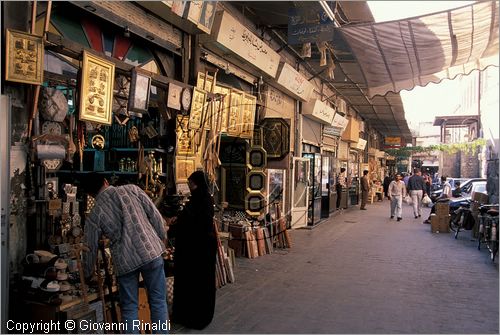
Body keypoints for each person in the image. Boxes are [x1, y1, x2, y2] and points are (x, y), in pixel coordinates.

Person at [82, 173, 168, 334]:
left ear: (90, 194)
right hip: (150, 251)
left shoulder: (95, 214)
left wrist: (87, 273)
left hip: (125, 261)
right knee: (158, 302)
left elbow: (89, 247)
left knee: (129, 308)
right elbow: (155, 215)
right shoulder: (132, 189)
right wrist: (161, 237)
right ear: (106, 181)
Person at [168, 171, 217, 330]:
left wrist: (173, 226)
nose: (189, 185)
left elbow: (188, 223)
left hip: (193, 250)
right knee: (204, 283)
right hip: (206, 248)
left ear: (195, 183)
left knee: (191, 283)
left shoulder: (196, 200)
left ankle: (189, 317)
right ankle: (203, 315)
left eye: (190, 183)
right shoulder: (207, 199)